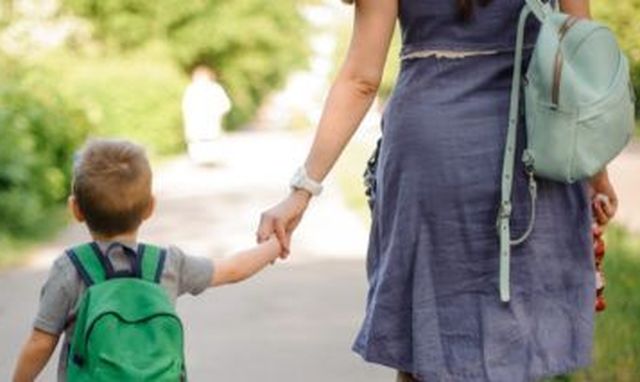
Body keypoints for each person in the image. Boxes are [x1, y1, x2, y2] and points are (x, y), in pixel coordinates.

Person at [257, 0, 619, 381]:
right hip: (535, 153)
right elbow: (582, 60)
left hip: (431, 157)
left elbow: (361, 79)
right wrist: (596, 172)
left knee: (426, 341)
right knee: (515, 339)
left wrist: (303, 189)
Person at [12, 139, 282, 381]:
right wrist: (274, 245)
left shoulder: (70, 268)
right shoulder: (168, 264)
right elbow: (232, 269)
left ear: (76, 209)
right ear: (150, 207)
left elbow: (41, 341)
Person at [182, 65, 232, 164]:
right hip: (195, 122)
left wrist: (217, 113)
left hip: (211, 121)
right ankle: (199, 162)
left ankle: (210, 162)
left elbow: (225, 104)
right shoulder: (191, 89)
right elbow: (185, 106)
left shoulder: (215, 88)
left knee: (210, 142)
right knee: (197, 143)